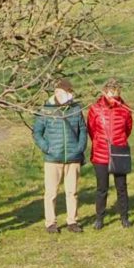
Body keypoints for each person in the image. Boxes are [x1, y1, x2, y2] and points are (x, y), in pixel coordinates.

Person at [32, 79, 89, 233]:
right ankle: (50, 223)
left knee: (72, 192)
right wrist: (46, 147)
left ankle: (72, 221)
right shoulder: (46, 110)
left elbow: (83, 130)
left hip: (73, 157)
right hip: (53, 158)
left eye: (70, 93)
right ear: (57, 92)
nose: (69, 95)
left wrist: (80, 147)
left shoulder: (76, 109)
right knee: (51, 192)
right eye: (66, 92)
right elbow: (37, 132)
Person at [86, 81, 134, 228]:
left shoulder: (125, 110)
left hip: (119, 152)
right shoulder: (95, 109)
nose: (113, 97)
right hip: (100, 154)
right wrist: (100, 142)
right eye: (110, 94)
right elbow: (91, 130)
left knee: (121, 187)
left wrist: (118, 142)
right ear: (104, 93)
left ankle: (124, 217)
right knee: (102, 188)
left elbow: (128, 129)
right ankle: (99, 218)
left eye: (115, 94)